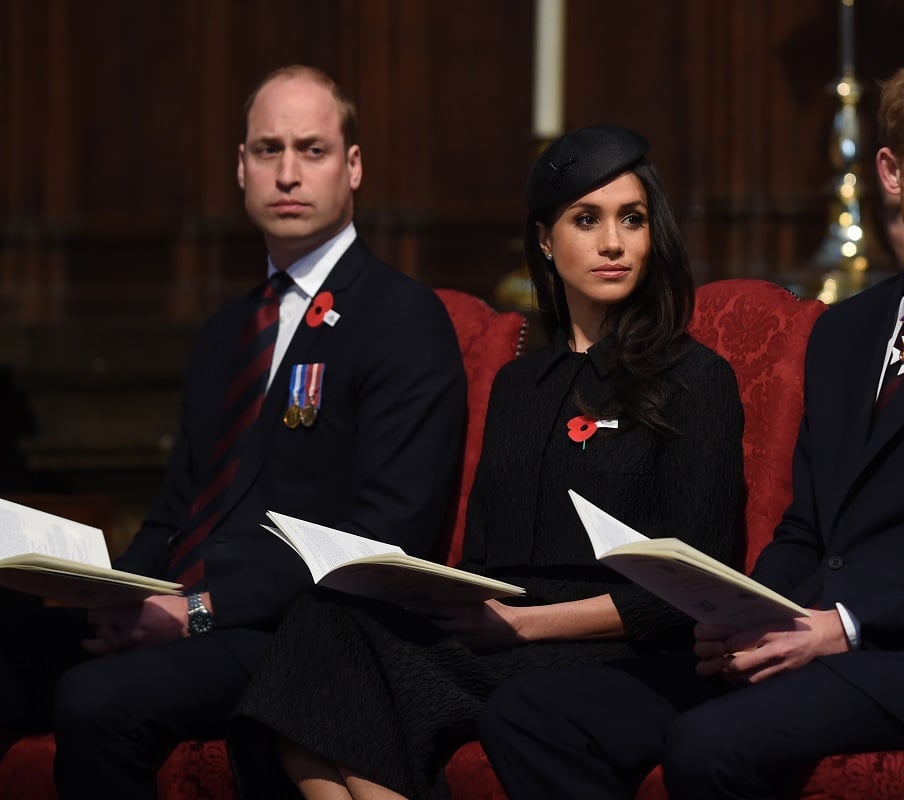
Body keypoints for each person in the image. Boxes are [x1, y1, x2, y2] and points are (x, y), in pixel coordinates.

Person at [479, 52, 904, 798]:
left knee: (708, 742)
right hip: (812, 635)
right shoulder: (847, 331)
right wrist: (743, 614)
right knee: (532, 714)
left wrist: (841, 624)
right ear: (890, 172)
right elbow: (809, 529)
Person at [226, 125, 745, 800]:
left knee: (345, 686)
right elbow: (484, 560)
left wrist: (522, 623)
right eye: (586, 220)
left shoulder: (696, 378)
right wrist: (433, 591)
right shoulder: (517, 386)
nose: (613, 243)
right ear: (544, 241)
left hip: (616, 644)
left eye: (632, 220)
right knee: (322, 624)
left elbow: (694, 586)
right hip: (501, 629)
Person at [0, 65, 467, 799]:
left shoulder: (401, 318)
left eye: (311, 151)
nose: (287, 173)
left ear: (353, 167)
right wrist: (114, 596)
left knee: (98, 702)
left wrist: (196, 614)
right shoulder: (226, 331)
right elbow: (178, 511)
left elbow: (384, 535)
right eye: (267, 150)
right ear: (240, 167)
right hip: (184, 608)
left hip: (294, 634)